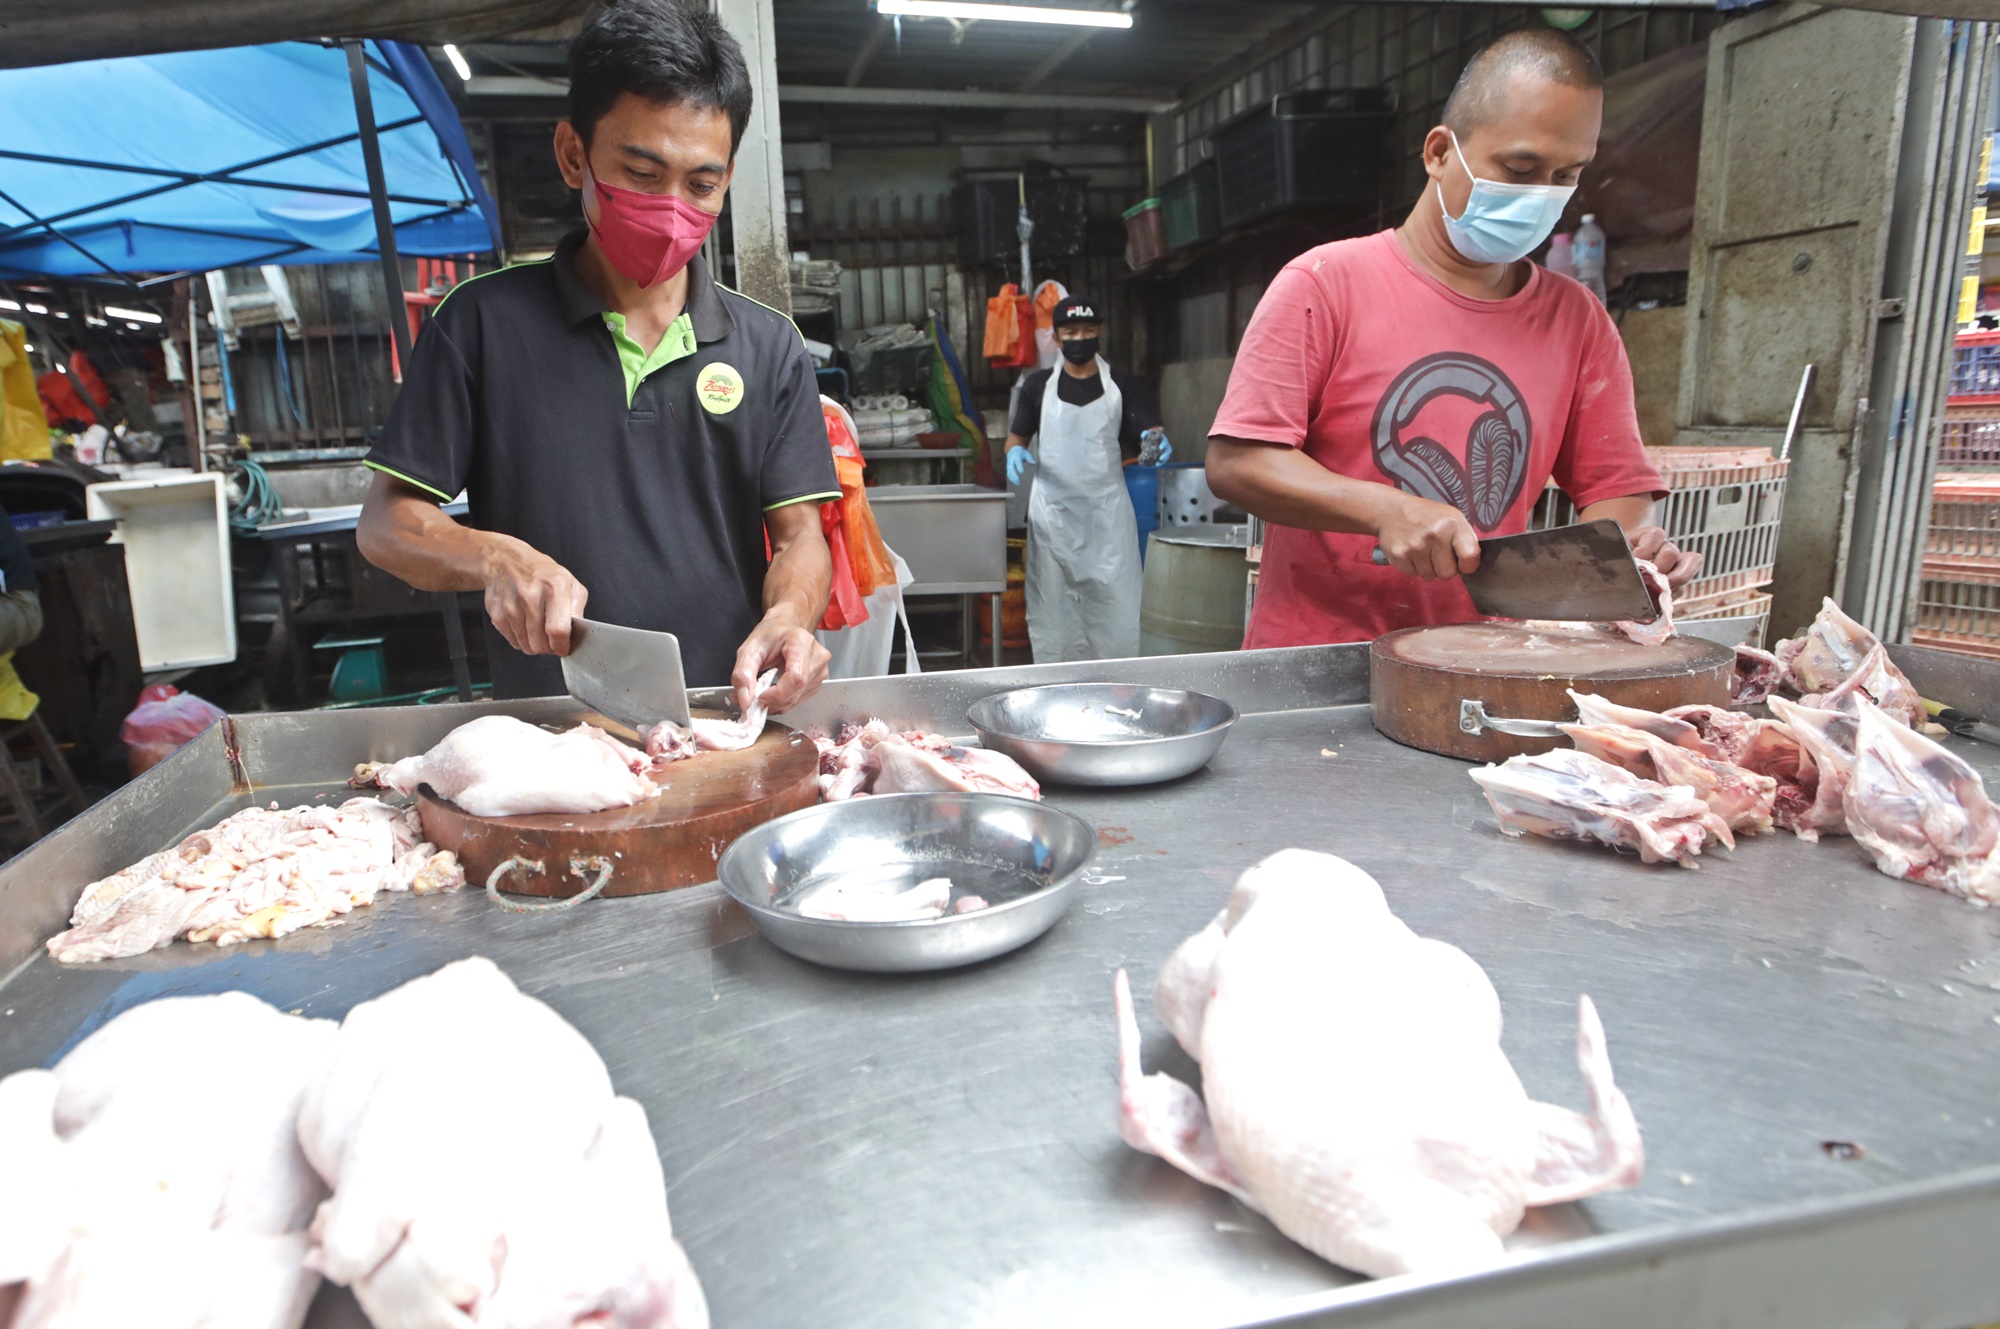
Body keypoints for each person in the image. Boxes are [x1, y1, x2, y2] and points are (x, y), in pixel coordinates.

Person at [356, 0, 839, 712]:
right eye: (642, 173)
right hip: (551, 740)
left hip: (725, 723)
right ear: (573, 154)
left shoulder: (769, 347)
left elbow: (802, 537)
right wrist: (492, 556)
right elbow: (386, 524)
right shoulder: (482, 325)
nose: (673, 207)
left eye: (701, 185)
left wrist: (791, 616)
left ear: (727, 179)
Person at [1205, 29, 1700, 651]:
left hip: (1484, 666)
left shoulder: (1578, 319)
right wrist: (1384, 509)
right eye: (1519, 168)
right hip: (1318, 663)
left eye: (1566, 175)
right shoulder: (1324, 284)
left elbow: (1616, 491)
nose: (1541, 194)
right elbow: (1237, 464)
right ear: (1440, 152)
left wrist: (1630, 557)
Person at [1003, 295, 1169, 662]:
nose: (1080, 338)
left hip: (1106, 516)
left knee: (1117, 605)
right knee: (1053, 607)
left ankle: (1119, 684)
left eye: (1089, 331)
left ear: (1099, 333)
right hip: (1053, 517)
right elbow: (1016, 437)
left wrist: (1154, 441)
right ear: (1058, 338)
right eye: (1072, 332)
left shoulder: (1122, 384)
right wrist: (1013, 452)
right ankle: (1056, 686)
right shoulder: (1037, 387)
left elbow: (1148, 429)